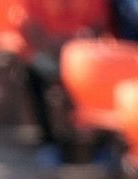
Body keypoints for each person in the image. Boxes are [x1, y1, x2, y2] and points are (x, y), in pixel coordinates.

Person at [15, 0, 110, 167]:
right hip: (49, 53)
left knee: (106, 76)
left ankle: (102, 147)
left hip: (84, 56)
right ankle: (49, 144)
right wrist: (54, 46)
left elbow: (99, 27)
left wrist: (75, 48)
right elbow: (29, 26)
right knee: (32, 72)